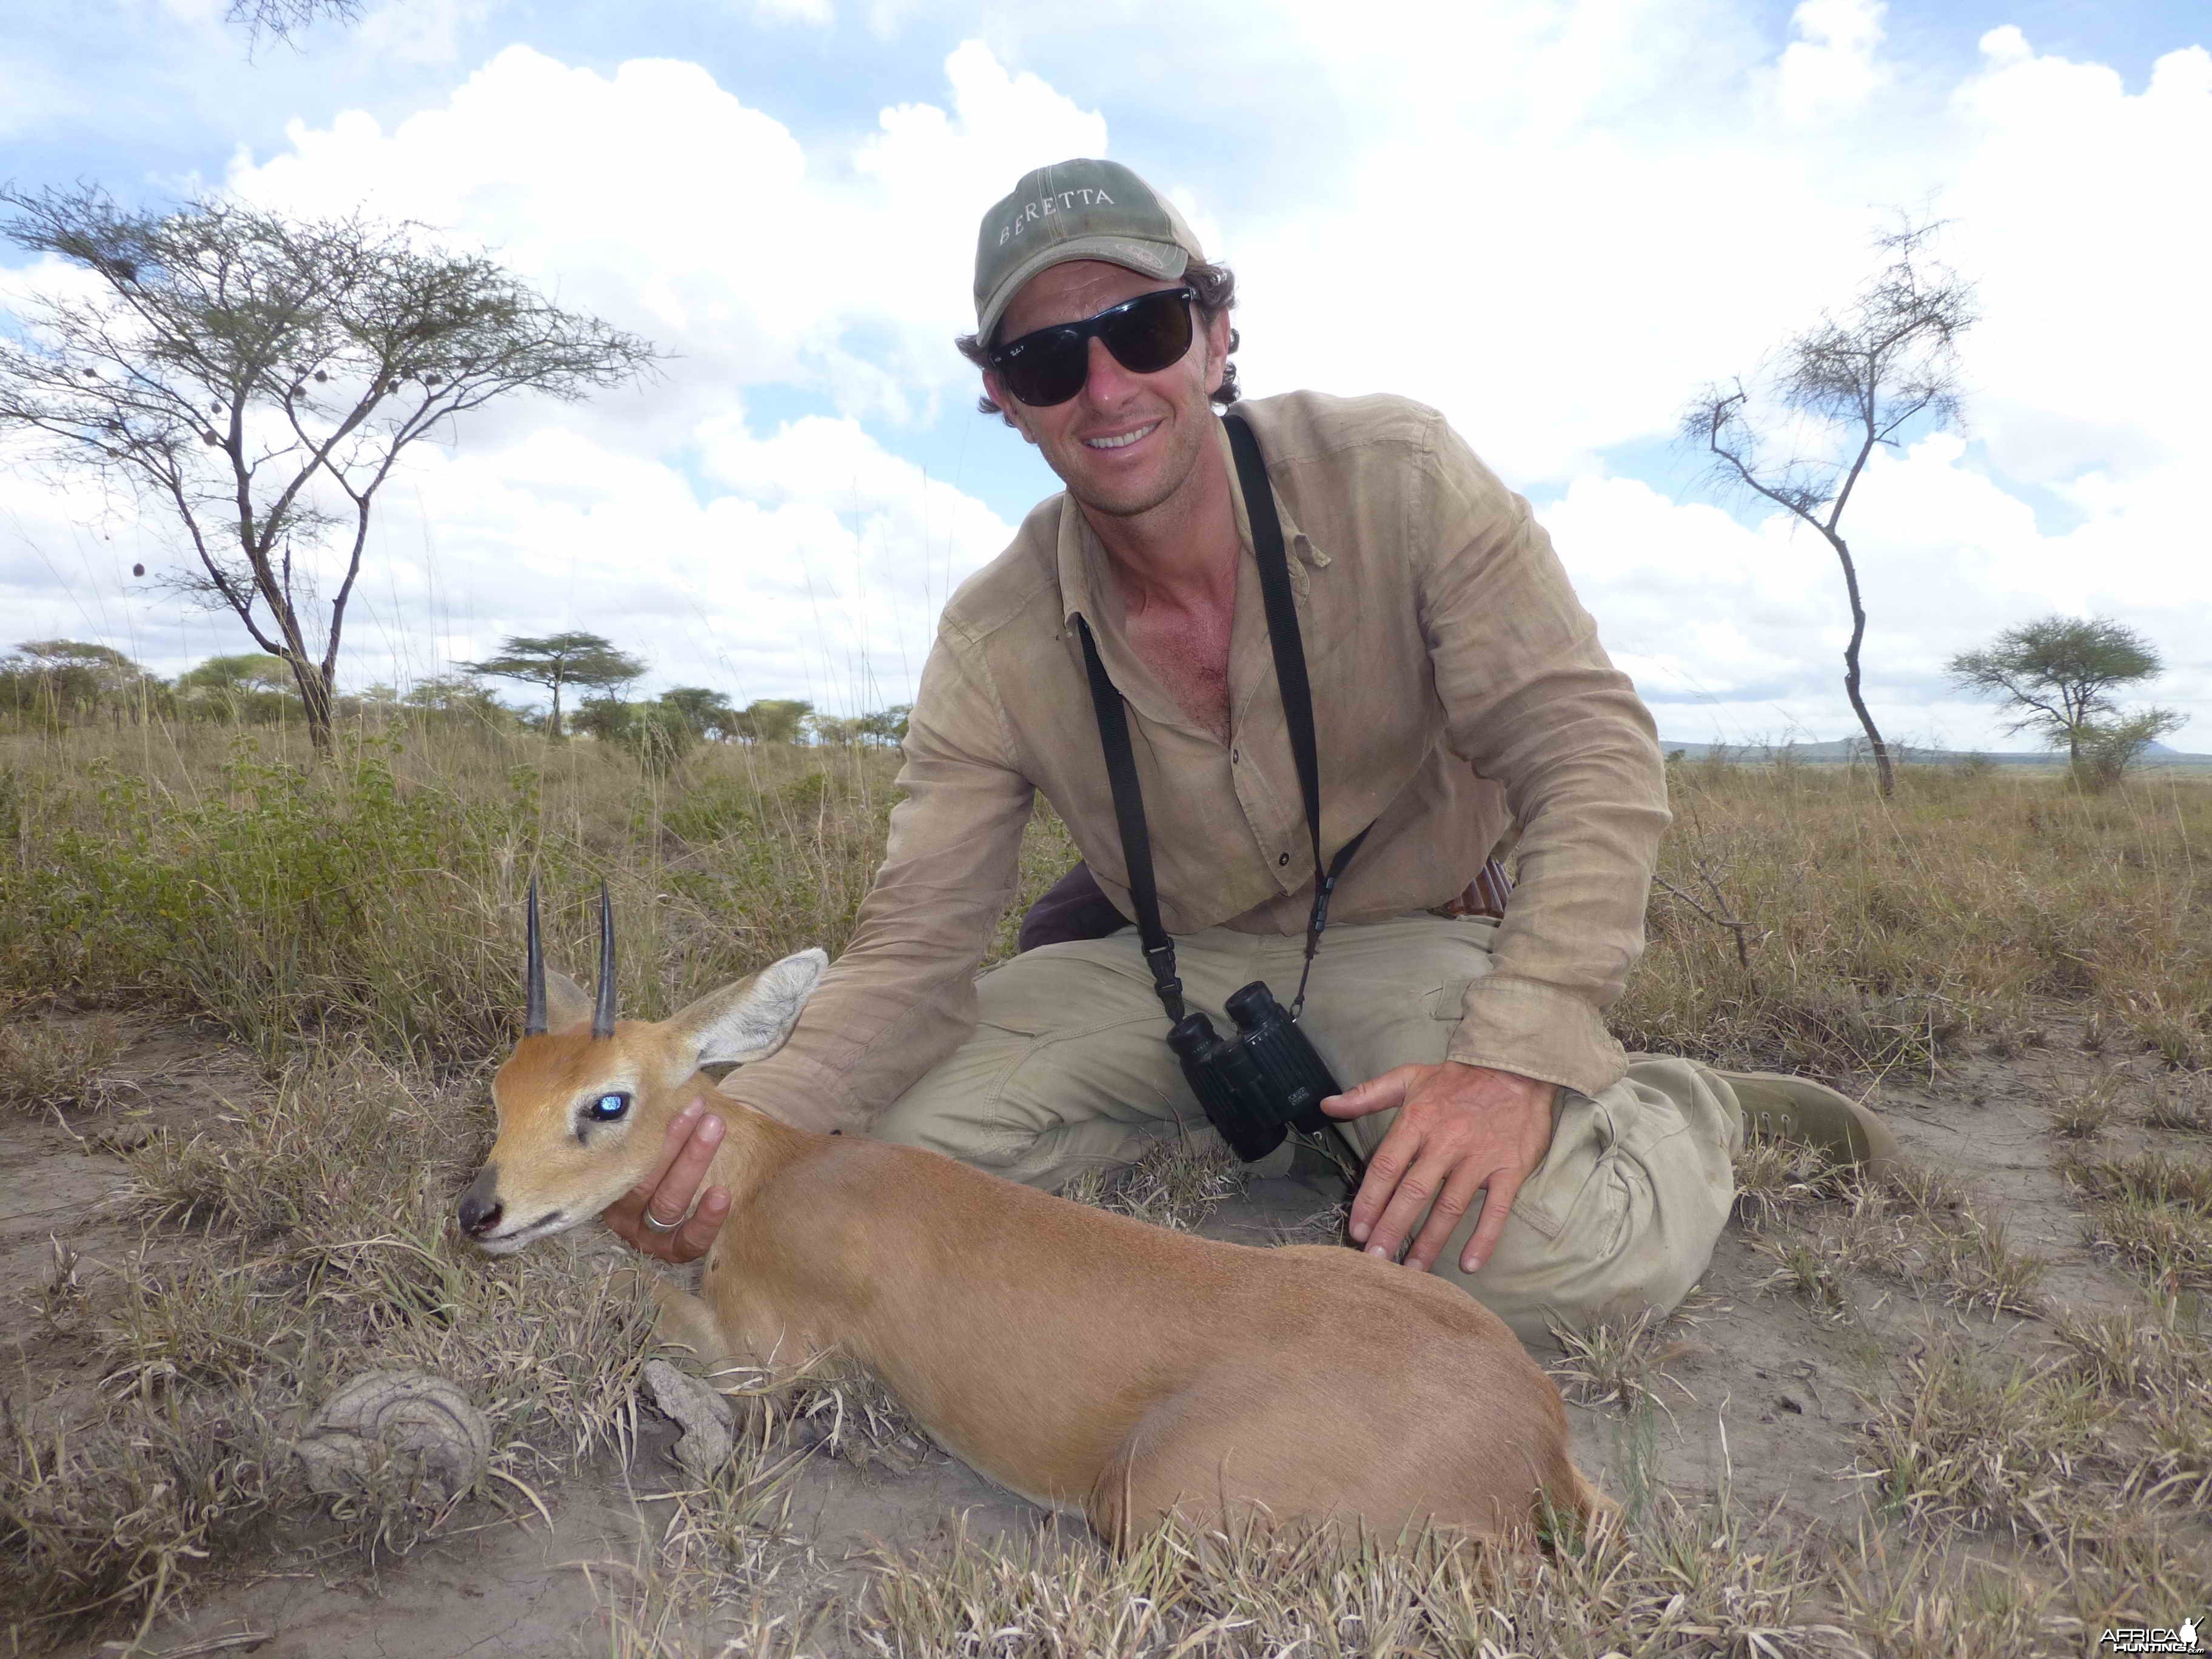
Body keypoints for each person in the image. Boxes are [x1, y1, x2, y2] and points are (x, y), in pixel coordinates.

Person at [601, 158, 1901, 1344]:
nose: (1106, 386)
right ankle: (1262, 1129)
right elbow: (915, 948)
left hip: (1410, 932)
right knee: (841, 1172)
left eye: (1144, 329)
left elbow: (1590, 751)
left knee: (1565, 1265)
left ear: (1216, 337)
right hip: (1168, 978)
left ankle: (1674, 1104)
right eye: (1051, 362)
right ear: (1002, 400)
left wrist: (1516, 1052)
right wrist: (752, 1122)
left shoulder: (1396, 470)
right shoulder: (992, 634)